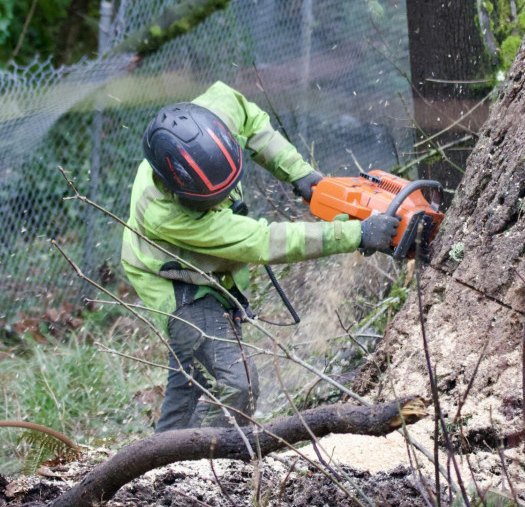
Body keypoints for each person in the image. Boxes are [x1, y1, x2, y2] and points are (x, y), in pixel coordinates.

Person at [120, 81, 400, 432]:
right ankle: (200, 462)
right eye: (211, 200)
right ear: (175, 190)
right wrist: (356, 234)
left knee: (195, 376)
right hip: (174, 282)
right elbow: (263, 241)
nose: (222, 202)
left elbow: (248, 116)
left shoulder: (215, 114)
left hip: (199, 267)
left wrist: (298, 171)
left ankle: (158, 462)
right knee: (239, 385)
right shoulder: (168, 216)